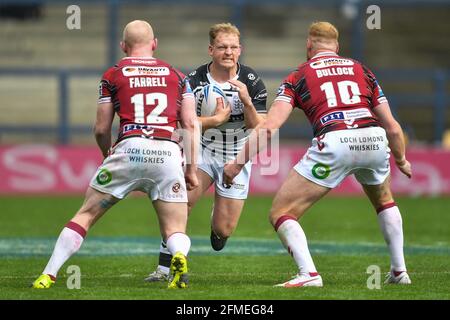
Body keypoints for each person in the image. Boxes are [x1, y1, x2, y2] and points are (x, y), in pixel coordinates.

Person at [223, 21, 412, 287]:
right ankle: (399, 271)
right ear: (337, 47)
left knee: (281, 212)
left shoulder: (298, 76)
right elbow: (392, 127)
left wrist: (236, 164)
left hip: (334, 140)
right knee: (384, 200)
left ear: (309, 45)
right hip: (373, 138)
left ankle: (309, 274)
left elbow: (269, 129)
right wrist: (401, 159)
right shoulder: (362, 70)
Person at [31, 20, 199, 289]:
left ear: (123, 46)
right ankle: (178, 255)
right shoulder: (179, 76)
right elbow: (190, 124)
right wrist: (190, 168)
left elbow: (100, 127)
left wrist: (105, 152)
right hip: (167, 152)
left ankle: (48, 274)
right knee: (174, 229)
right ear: (154, 44)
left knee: (84, 216)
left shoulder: (113, 74)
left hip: (129, 148)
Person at [145, 22, 267, 282]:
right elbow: (181, 124)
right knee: (181, 205)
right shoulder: (193, 80)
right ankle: (165, 268)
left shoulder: (252, 81)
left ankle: (218, 219)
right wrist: (215, 119)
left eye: (234, 47)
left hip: (236, 152)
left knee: (224, 229)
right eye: (222, 47)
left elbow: (260, 128)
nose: (228, 52)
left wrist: (246, 101)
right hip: (201, 149)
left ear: (240, 50)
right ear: (211, 49)